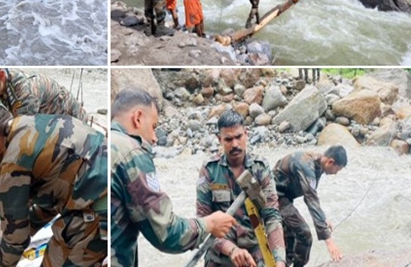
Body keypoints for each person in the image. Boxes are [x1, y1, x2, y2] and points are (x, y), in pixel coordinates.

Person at [0, 99, 108, 266]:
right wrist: (25, 228)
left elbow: (15, 243)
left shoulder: (14, 162)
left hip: (96, 205)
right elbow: (51, 197)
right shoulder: (32, 123)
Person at [110, 87, 236, 266]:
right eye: (153, 127)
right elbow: (166, 232)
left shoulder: (101, 142)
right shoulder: (132, 153)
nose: (154, 138)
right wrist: (208, 224)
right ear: (138, 118)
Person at [0, 68, 88, 210]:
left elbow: (17, 150)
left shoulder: (25, 92)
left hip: (69, 132)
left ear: (1, 76)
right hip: (44, 133)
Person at [196, 110, 286, 267]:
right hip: (221, 254)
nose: (235, 144)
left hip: (255, 252)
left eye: (238, 137)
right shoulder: (209, 170)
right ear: (220, 140)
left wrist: (279, 261)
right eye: (228, 139)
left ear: (246, 133)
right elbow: (204, 222)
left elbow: (271, 215)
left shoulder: (260, 168)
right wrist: (232, 251)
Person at [273, 146, 347, 266]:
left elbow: (311, 195)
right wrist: (328, 241)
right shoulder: (306, 166)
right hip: (274, 198)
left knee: (291, 239)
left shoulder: (319, 164)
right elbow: (311, 199)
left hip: (284, 197)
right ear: (330, 162)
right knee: (304, 234)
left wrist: (322, 218)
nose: (335, 174)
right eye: (337, 170)